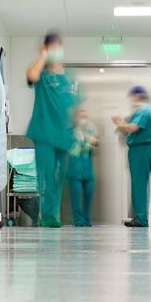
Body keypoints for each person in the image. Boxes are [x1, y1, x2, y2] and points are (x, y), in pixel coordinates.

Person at [26, 32, 77, 228]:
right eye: (52, 47)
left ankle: (52, 214)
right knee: (47, 175)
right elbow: (31, 75)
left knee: (59, 177)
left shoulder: (69, 78)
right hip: (44, 133)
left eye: (58, 46)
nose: (57, 50)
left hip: (64, 136)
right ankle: (47, 216)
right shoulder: (42, 74)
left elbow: (73, 107)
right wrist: (43, 56)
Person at [113, 86, 151, 228]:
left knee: (139, 185)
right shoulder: (143, 112)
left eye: (132, 97)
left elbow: (133, 128)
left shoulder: (144, 110)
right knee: (138, 185)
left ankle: (142, 219)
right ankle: (139, 217)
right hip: (139, 150)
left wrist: (119, 123)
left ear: (138, 96)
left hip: (140, 151)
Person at [66, 107, 98, 226]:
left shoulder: (91, 131)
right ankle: (78, 220)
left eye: (85, 116)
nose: (83, 118)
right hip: (74, 170)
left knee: (88, 195)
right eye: (81, 115)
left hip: (88, 171)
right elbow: (70, 150)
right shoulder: (70, 132)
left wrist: (90, 139)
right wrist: (79, 139)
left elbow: (96, 144)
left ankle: (86, 219)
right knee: (76, 198)